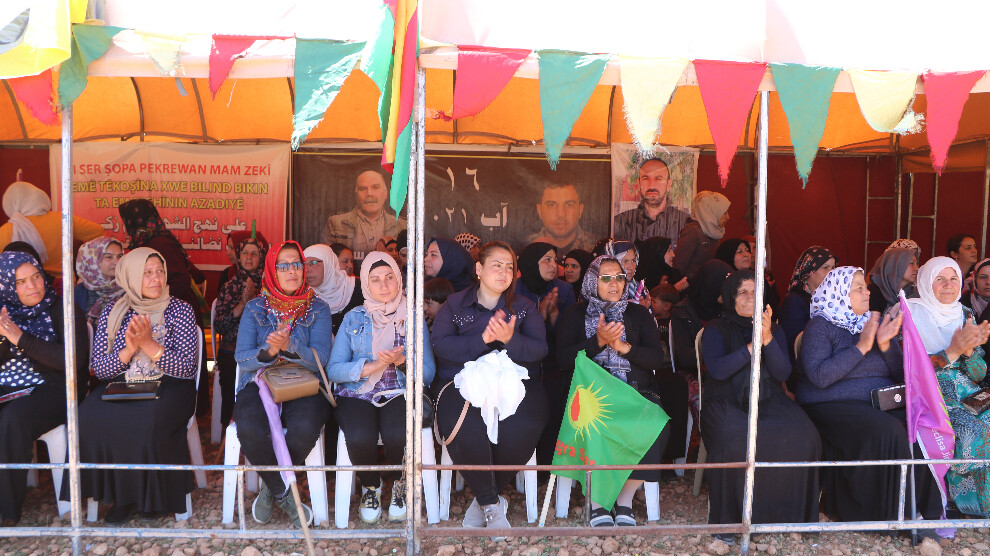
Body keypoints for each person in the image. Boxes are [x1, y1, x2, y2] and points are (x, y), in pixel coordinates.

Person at [795, 267, 942, 529]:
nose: (867, 292)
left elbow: (901, 376)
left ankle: (924, 508)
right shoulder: (821, 326)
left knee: (920, 423)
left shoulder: (870, 324)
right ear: (839, 293)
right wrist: (862, 346)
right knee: (888, 430)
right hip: (831, 405)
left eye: (865, 287)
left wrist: (885, 344)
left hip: (878, 402)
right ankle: (888, 514)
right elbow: (819, 376)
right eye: (859, 288)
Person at [73, 248, 199, 525]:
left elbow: (186, 367)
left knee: (147, 418)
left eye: (160, 271)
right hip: (123, 383)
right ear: (130, 276)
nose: (156, 278)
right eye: (147, 272)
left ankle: (152, 499)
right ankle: (121, 498)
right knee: (89, 415)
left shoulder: (180, 310)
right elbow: (100, 370)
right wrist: (129, 351)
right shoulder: (113, 311)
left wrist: (150, 346)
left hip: (171, 385)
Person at [431, 241, 549, 533]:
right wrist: (482, 340)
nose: (504, 272)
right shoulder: (454, 305)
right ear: (479, 269)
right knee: (466, 423)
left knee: (525, 422)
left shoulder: (524, 308)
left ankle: (485, 499)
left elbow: (540, 350)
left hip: (515, 382)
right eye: (497, 265)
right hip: (458, 381)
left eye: (509, 267)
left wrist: (510, 340)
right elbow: (441, 346)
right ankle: (491, 503)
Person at [700, 270, 820, 542]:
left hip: (769, 398)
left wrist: (767, 339)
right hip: (725, 400)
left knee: (805, 435)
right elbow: (718, 370)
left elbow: (782, 373)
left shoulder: (773, 329)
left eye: (755, 292)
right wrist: (753, 346)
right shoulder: (716, 328)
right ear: (730, 297)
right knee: (736, 439)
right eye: (742, 292)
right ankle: (734, 522)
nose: (749, 298)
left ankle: (784, 517)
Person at [556, 255, 672, 526]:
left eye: (619, 278)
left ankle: (624, 500)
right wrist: (597, 342)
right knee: (597, 420)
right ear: (591, 281)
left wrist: (622, 348)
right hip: (588, 394)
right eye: (606, 278)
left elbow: (656, 358)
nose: (614, 284)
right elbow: (562, 360)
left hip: (633, 392)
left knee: (656, 424)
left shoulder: (638, 314)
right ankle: (598, 502)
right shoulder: (575, 315)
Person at [328, 252, 436, 524]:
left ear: (399, 280)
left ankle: (400, 484)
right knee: (360, 435)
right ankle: (370, 486)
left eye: (389, 278)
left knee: (398, 433)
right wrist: (371, 366)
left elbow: (428, 372)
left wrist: (401, 362)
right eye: (375, 280)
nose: (384, 285)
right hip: (358, 392)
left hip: (398, 391)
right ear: (366, 284)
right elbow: (334, 369)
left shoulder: (413, 318)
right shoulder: (353, 318)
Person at [233, 240, 333, 528]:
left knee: (304, 428)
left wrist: (290, 346)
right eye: (284, 265)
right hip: (261, 380)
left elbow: (321, 360)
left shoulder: (319, 308)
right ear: (272, 270)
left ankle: (270, 487)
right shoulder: (255, 308)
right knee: (249, 428)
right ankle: (284, 494)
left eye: (297, 264)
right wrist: (270, 351)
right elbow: (242, 357)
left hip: (304, 382)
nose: (292, 270)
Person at [0, 251, 89, 526]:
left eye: (36, 277)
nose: (33, 286)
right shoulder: (4, 312)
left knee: (14, 419)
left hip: (56, 387)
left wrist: (20, 338)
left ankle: (6, 512)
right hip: (8, 385)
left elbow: (72, 360)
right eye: (21, 282)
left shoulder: (63, 309)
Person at [908, 257, 990, 518]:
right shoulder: (908, 314)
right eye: (940, 279)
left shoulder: (964, 314)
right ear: (926, 282)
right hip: (932, 396)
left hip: (968, 392)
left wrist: (969, 352)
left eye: (954, 278)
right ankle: (966, 505)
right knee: (976, 429)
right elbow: (911, 371)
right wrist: (953, 351)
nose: (948, 285)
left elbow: (979, 374)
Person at [118, 199, 209, 414]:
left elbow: (181, 279)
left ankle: (195, 411)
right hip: (163, 308)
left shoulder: (158, 242)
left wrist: (159, 302)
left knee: (183, 363)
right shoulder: (156, 239)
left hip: (174, 308)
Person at [213, 232, 268, 430]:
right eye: (245, 253)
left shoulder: (269, 286)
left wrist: (255, 300)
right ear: (238, 256)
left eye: (254, 253)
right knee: (230, 372)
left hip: (262, 348)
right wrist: (243, 304)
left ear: (262, 257)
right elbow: (220, 326)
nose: (249, 257)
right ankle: (229, 430)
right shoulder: (229, 287)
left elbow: (271, 323)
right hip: (233, 349)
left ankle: (260, 429)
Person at [0, 176, 104, 276]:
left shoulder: (7, 231)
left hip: (29, 285)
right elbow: (98, 231)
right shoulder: (63, 220)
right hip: (65, 283)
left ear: (10, 204)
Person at [322, 170, 406, 257]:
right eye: (363, 189)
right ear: (356, 195)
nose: (369, 194)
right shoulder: (335, 224)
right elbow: (328, 260)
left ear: (386, 193)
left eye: (375, 187)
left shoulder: (402, 225)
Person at [778, 246, 836, 362]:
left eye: (833, 268)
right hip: (805, 364)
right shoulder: (794, 301)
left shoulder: (833, 300)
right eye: (825, 268)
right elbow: (795, 344)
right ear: (809, 271)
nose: (831, 273)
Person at [613, 158, 690, 244]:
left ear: (668, 184)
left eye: (658, 179)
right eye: (646, 178)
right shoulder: (620, 222)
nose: (652, 185)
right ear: (639, 183)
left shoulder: (685, 224)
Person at [302, 244, 363, 336]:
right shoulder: (304, 297)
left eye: (313, 263)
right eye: (303, 265)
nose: (307, 270)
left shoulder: (359, 287)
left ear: (328, 263)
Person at [524, 181, 598, 256]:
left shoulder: (596, 246)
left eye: (569, 205)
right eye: (551, 205)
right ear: (540, 210)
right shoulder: (524, 247)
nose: (561, 214)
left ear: (580, 210)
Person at [673, 191, 731, 280]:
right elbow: (678, 265)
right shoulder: (693, 231)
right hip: (692, 286)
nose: (728, 217)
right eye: (724, 212)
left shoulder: (714, 231)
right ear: (711, 211)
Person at [74, 236, 124, 325]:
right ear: (93, 260)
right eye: (109, 257)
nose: (117, 262)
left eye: (120, 256)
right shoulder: (79, 292)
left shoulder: (128, 289)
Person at [866, 247, 918, 318]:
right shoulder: (873, 293)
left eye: (916, 263)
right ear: (895, 265)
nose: (917, 268)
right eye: (911, 263)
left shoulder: (913, 293)